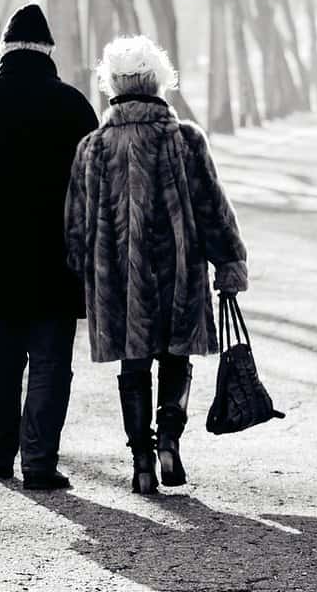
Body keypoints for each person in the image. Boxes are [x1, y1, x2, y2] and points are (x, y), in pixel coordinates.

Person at [66, 35, 248, 495]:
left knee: (133, 364)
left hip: (118, 280)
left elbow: (77, 223)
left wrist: (82, 270)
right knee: (175, 356)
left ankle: (142, 460)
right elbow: (212, 209)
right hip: (178, 273)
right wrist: (229, 261)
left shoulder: (93, 147)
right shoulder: (185, 139)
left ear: (113, 86)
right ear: (158, 83)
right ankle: (169, 437)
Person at [0, 4, 97, 491]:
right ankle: (40, 462)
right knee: (51, 362)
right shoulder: (74, 107)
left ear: (4, 51)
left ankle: (0, 450)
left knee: (2, 360)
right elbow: (93, 190)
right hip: (58, 261)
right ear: (49, 52)